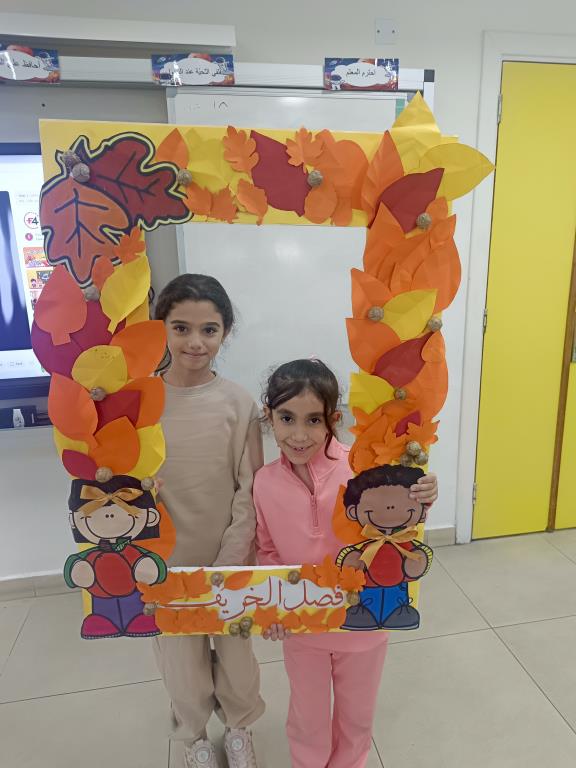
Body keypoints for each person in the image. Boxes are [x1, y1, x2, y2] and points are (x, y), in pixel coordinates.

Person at [254, 359, 437, 768]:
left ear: (333, 421)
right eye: (286, 418)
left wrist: (424, 493)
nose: (298, 434)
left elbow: (397, 522)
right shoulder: (264, 482)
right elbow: (267, 551)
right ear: (270, 416)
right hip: (303, 629)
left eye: (313, 420)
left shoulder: (363, 469)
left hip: (365, 627)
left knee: (357, 719)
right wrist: (272, 608)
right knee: (308, 720)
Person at [153, 274, 264, 768]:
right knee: (182, 665)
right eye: (181, 328)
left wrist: (231, 556)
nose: (195, 342)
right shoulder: (141, 403)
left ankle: (239, 729)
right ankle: (194, 736)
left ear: (225, 332)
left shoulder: (239, 403)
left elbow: (251, 487)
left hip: (229, 559)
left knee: (237, 657)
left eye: (209, 330)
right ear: (161, 329)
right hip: (166, 564)